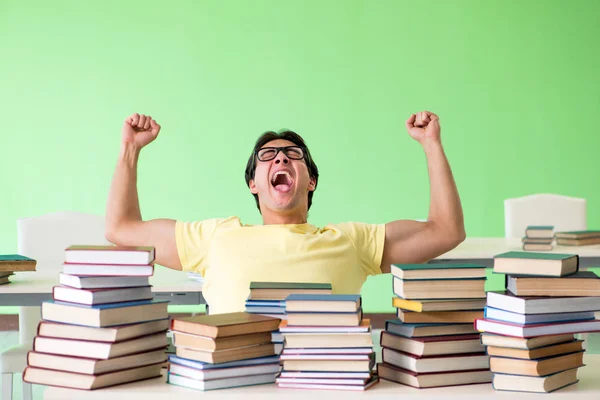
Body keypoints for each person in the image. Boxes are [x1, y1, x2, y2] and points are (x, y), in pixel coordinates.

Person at [105, 111, 465, 314]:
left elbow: (446, 230)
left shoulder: (351, 241)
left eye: (294, 155)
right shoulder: (216, 237)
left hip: (326, 380)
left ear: (310, 181)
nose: (280, 157)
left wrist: (431, 144)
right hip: (236, 380)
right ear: (253, 184)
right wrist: (129, 150)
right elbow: (121, 227)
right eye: (268, 155)